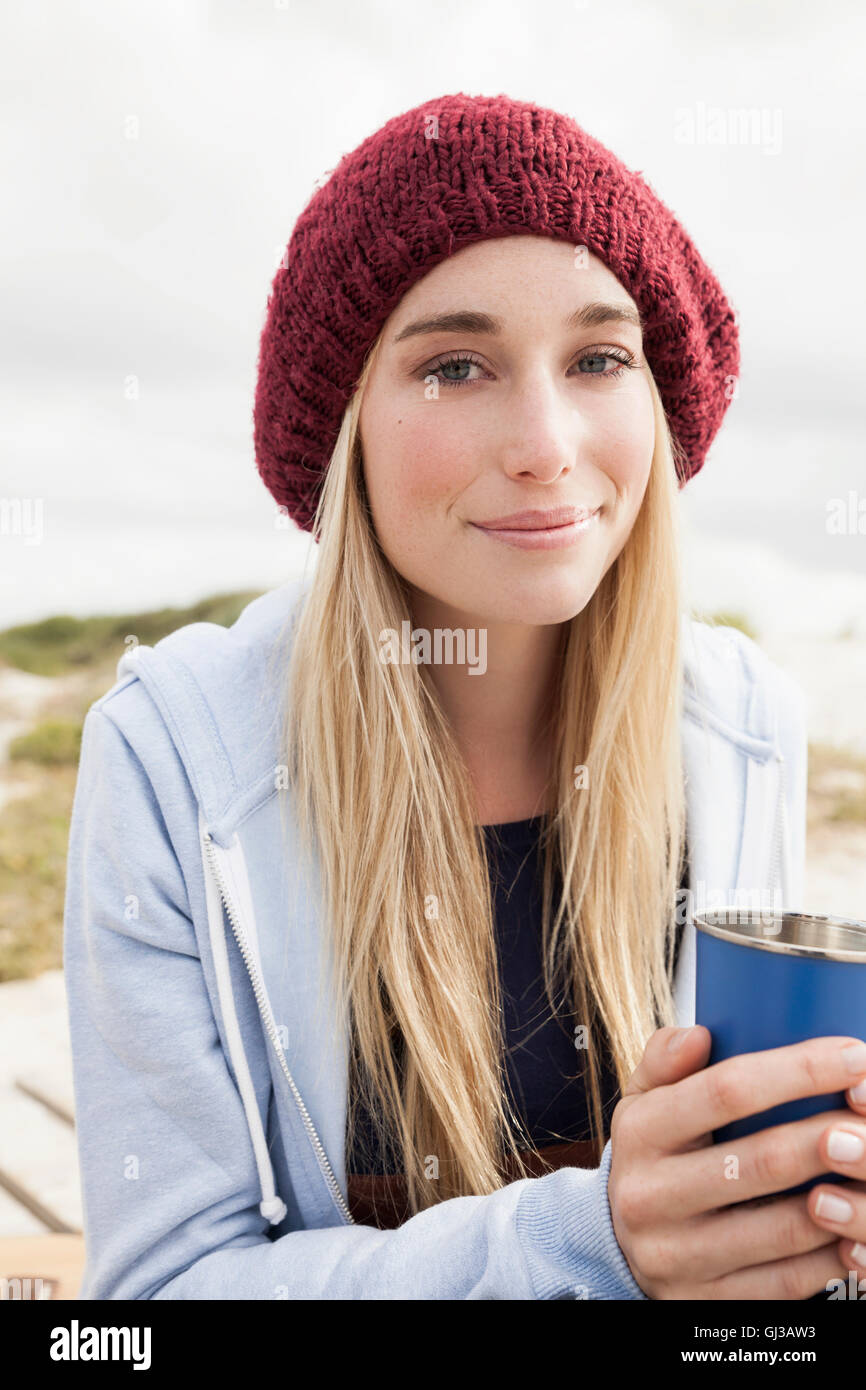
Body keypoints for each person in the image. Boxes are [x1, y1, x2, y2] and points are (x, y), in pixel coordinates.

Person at [63, 91, 866, 1300]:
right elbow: (157, 1298)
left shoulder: (739, 720)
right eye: (453, 365)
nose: (544, 440)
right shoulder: (172, 759)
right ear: (346, 434)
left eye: (598, 357)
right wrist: (589, 1240)